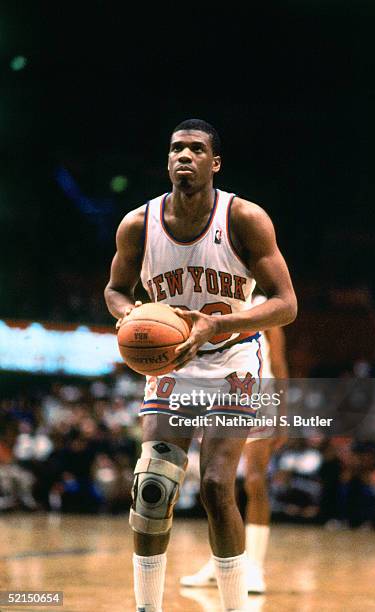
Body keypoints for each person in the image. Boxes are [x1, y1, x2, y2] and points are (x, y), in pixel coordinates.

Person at [104, 118, 297, 612]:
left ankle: (235, 605)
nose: (183, 156)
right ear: (167, 160)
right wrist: (133, 318)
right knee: (153, 486)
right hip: (171, 366)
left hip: (234, 360)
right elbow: (115, 290)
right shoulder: (137, 224)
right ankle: (148, 606)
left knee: (216, 485)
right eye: (175, 149)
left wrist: (219, 325)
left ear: (215, 163)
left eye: (195, 149)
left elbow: (286, 303)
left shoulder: (245, 218)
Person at [180, 293, 289, 594]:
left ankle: (255, 566)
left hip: (259, 395)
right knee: (215, 485)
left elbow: (278, 363)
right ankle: (220, 561)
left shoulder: (264, 303)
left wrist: (282, 414)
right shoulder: (213, 298)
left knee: (254, 481)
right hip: (221, 396)